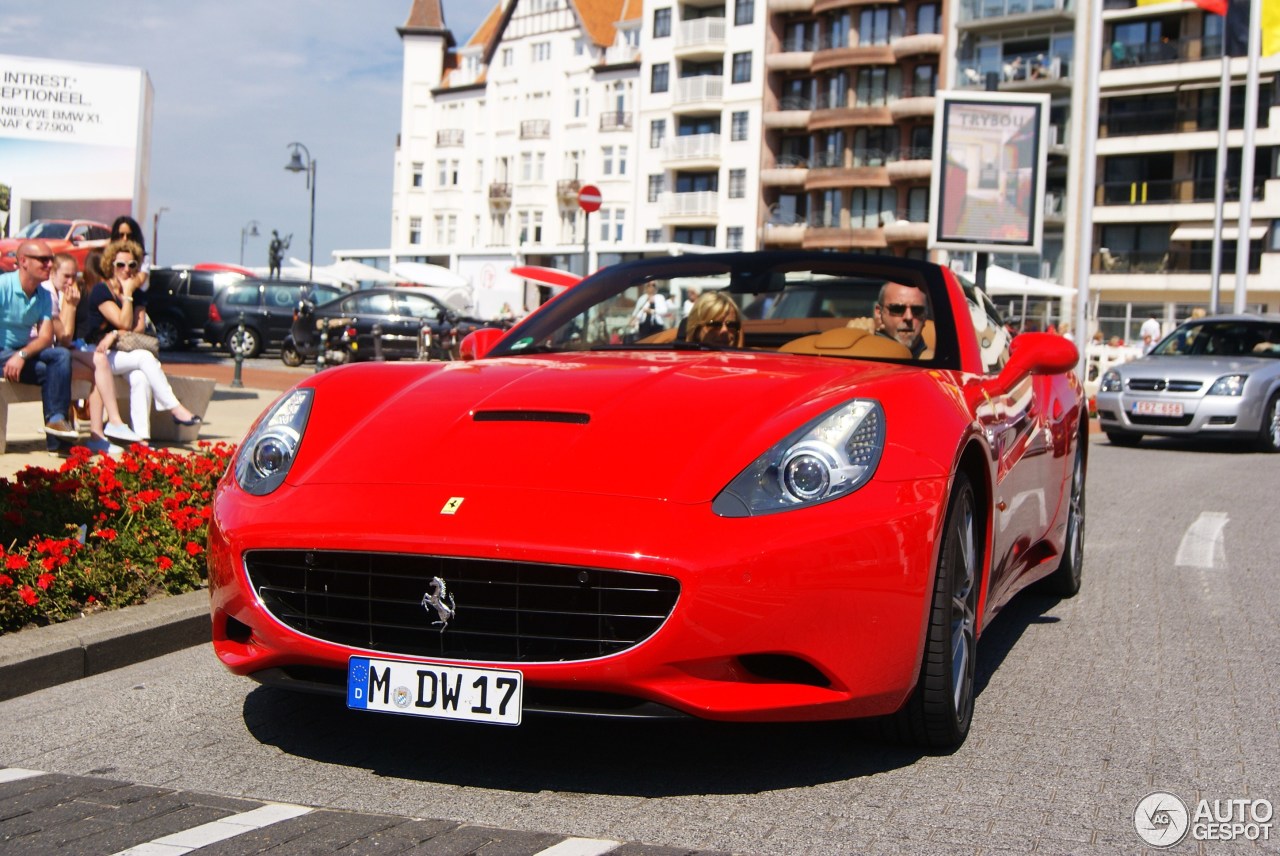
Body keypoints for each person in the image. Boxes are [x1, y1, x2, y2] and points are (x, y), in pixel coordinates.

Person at [82, 238, 202, 440]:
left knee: (141, 378)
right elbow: (124, 322)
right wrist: (127, 296)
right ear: (110, 266)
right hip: (99, 354)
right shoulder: (102, 291)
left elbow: (136, 328)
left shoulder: (139, 294)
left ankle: (141, 439)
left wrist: (115, 333)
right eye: (120, 265)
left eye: (132, 265)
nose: (126, 270)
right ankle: (174, 407)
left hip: (125, 353)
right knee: (145, 358)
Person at [45, 253, 142, 447]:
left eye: (74, 276)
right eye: (66, 276)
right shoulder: (48, 293)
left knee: (99, 364)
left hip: (63, 351)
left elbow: (65, 340)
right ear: (53, 273)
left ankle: (102, 431)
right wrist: (71, 307)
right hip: (53, 354)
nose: (71, 281)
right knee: (98, 365)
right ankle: (106, 427)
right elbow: (63, 338)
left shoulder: (64, 293)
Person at [0, 240, 78, 442]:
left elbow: (45, 337)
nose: (50, 265)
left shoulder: (43, 295)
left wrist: (21, 355)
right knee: (53, 373)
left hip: (17, 351)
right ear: (24, 261)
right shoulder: (3, 286)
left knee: (61, 357)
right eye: (43, 260)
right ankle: (59, 440)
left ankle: (57, 422)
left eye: (51, 260)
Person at [870, 281, 930, 357]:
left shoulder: (935, 364)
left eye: (917, 310)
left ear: (925, 315)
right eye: (897, 309)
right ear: (879, 313)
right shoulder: (863, 348)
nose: (908, 317)